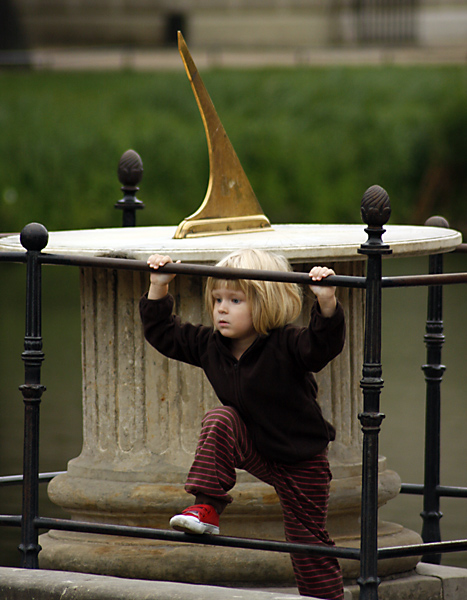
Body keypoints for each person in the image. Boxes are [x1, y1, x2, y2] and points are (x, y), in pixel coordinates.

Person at [139, 248, 345, 600]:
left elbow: (321, 346)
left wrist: (326, 302)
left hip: (302, 460)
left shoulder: (287, 342)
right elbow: (164, 333)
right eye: (217, 299)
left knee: (308, 546)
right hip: (256, 449)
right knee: (221, 418)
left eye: (235, 300)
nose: (222, 308)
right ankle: (206, 507)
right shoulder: (210, 344)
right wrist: (158, 286)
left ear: (266, 303)